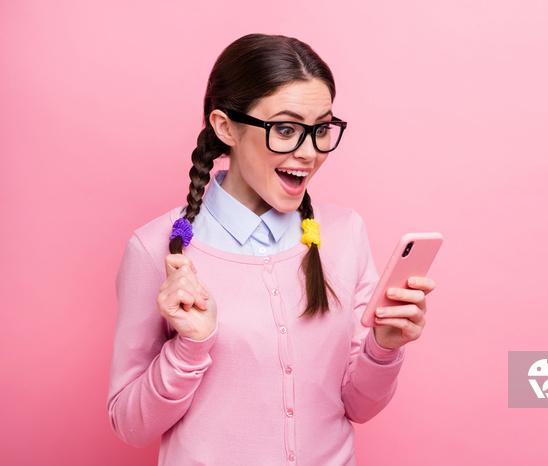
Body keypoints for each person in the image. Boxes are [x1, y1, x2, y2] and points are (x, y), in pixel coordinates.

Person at [108, 34, 436, 465]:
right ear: (226, 127)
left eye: (321, 129)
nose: (309, 152)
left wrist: (383, 347)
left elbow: (359, 407)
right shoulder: (156, 250)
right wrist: (190, 346)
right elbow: (131, 426)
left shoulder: (345, 233)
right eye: (285, 129)